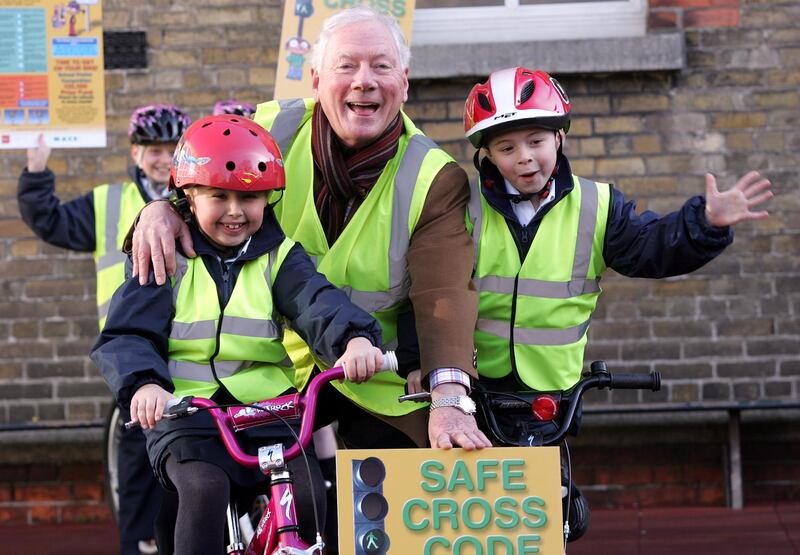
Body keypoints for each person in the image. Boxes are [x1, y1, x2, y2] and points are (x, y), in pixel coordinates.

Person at [129, 7, 492, 453]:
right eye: (346, 65)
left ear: (404, 81)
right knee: (199, 463)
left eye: (381, 65)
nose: (364, 80)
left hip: (376, 371)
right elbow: (202, 177)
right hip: (274, 371)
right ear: (317, 80)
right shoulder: (267, 129)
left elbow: (445, 295)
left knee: (425, 480)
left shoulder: (433, 176)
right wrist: (164, 208)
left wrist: (450, 398)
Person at [462, 66, 773, 540]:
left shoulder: (596, 205)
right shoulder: (463, 209)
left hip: (550, 394)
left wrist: (705, 223)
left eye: (536, 141)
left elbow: (651, 247)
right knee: (467, 513)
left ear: (559, 138)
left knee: (543, 516)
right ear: (487, 153)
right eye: (506, 148)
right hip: (471, 389)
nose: (524, 158)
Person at [91, 115, 384, 554]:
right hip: (186, 410)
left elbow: (318, 303)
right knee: (203, 487)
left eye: (249, 197)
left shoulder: (280, 256)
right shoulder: (166, 257)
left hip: (270, 408)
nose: (234, 211)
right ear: (187, 197)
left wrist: (354, 339)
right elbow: (126, 334)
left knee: (308, 493)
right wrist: (144, 384)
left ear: (267, 198)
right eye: (218, 196)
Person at [17, 104, 192, 555]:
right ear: (136, 153)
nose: (162, 158)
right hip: (135, 350)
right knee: (137, 455)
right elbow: (52, 221)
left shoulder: (204, 197)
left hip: (194, 346)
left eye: (172, 148)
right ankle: (141, 544)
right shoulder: (107, 201)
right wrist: (36, 171)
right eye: (153, 149)